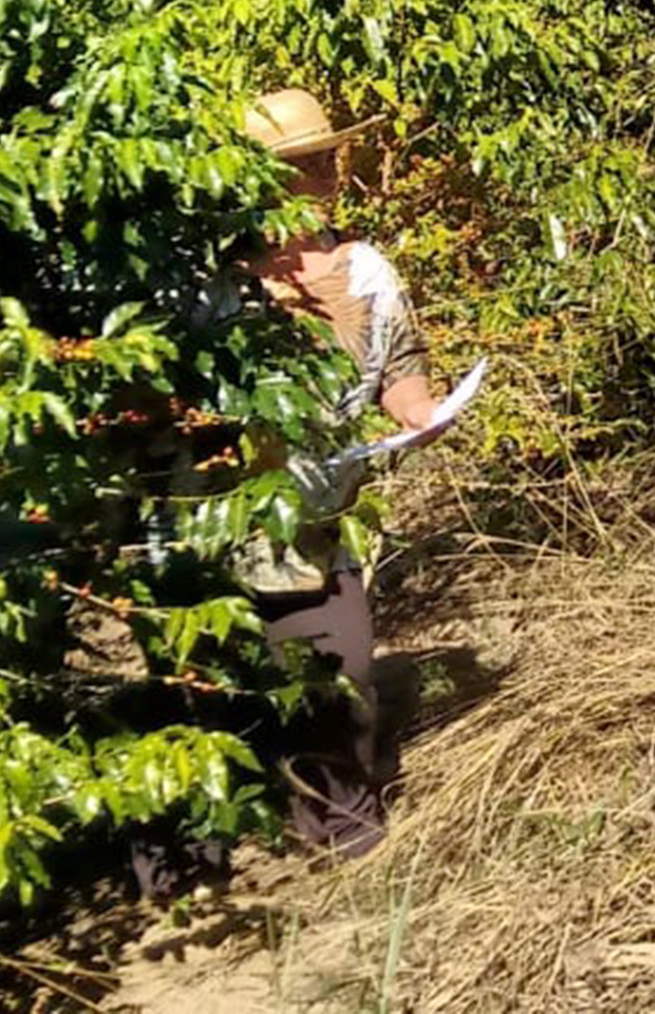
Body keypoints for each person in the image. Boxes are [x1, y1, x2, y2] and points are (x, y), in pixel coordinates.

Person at [235, 87, 458, 859]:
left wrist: (421, 411)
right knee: (233, 688)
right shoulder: (221, 286)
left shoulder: (365, 271)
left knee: (342, 673)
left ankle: (346, 841)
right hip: (224, 519)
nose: (325, 172)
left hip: (321, 517)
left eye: (326, 156)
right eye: (304, 163)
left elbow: (399, 364)